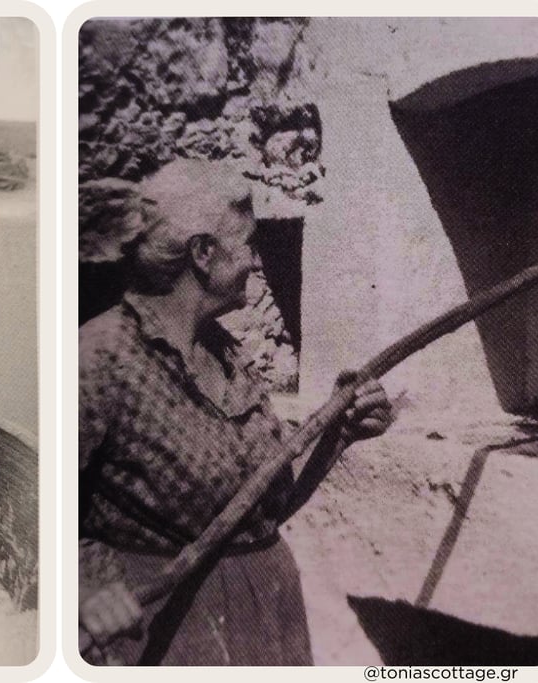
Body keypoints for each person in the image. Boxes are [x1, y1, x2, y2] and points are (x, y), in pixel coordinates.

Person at [78, 158, 392, 665]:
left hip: (265, 615)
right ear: (203, 253)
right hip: (167, 631)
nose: (256, 261)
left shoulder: (226, 353)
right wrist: (85, 583)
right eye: (248, 243)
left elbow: (261, 505)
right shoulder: (103, 353)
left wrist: (339, 430)